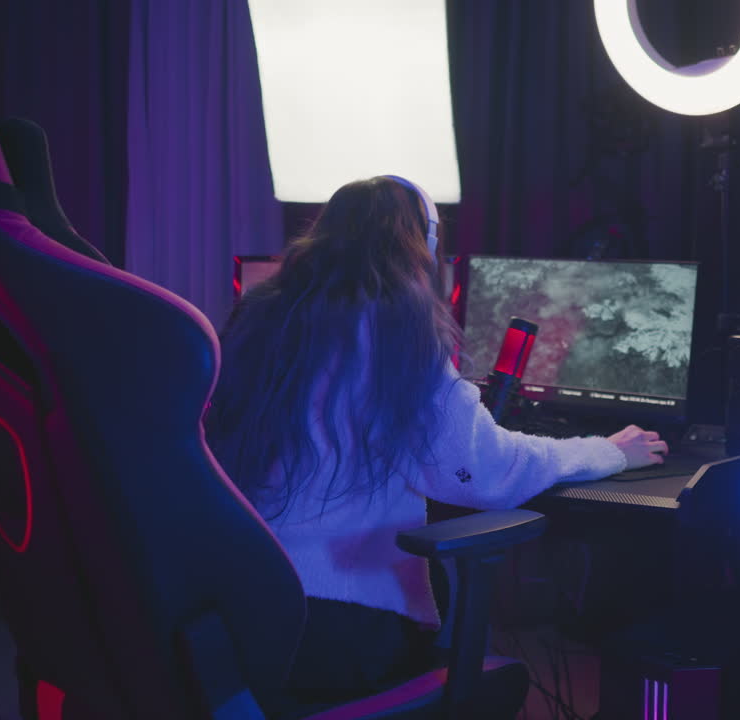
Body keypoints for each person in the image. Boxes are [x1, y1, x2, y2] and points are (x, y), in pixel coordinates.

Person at [206, 176, 667, 704]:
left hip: (241, 615)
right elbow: (487, 473)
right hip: (340, 630)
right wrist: (607, 450)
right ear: (421, 246)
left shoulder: (259, 320)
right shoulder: (396, 329)